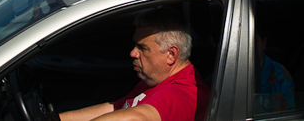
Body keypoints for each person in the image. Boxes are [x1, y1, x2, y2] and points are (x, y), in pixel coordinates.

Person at [59, 7, 210, 121]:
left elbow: (139, 116)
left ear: (171, 54)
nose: (133, 53)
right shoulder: (156, 78)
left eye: (143, 48)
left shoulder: (182, 93)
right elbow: (115, 107)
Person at [254, 33, 295, 114]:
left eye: (255, 42)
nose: (249, 47)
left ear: (264, 44)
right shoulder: (233, 72)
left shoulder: (280, 76)